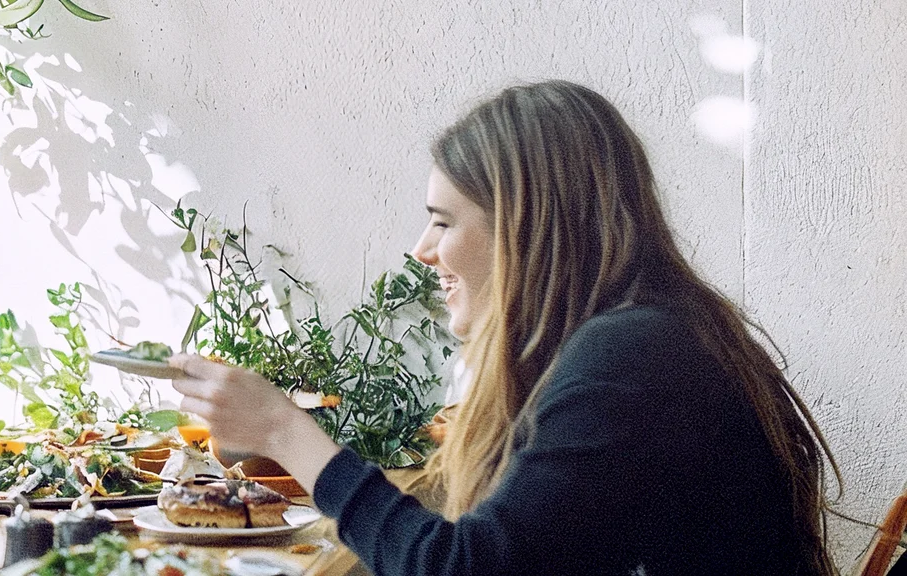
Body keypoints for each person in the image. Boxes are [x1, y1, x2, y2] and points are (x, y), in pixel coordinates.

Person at [170, 80, 837, 575]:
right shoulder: (653, 335)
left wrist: (287, 431)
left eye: (443, 220)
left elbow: (467, 570)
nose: (422, 249)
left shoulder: (633, 355)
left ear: (524, 225)